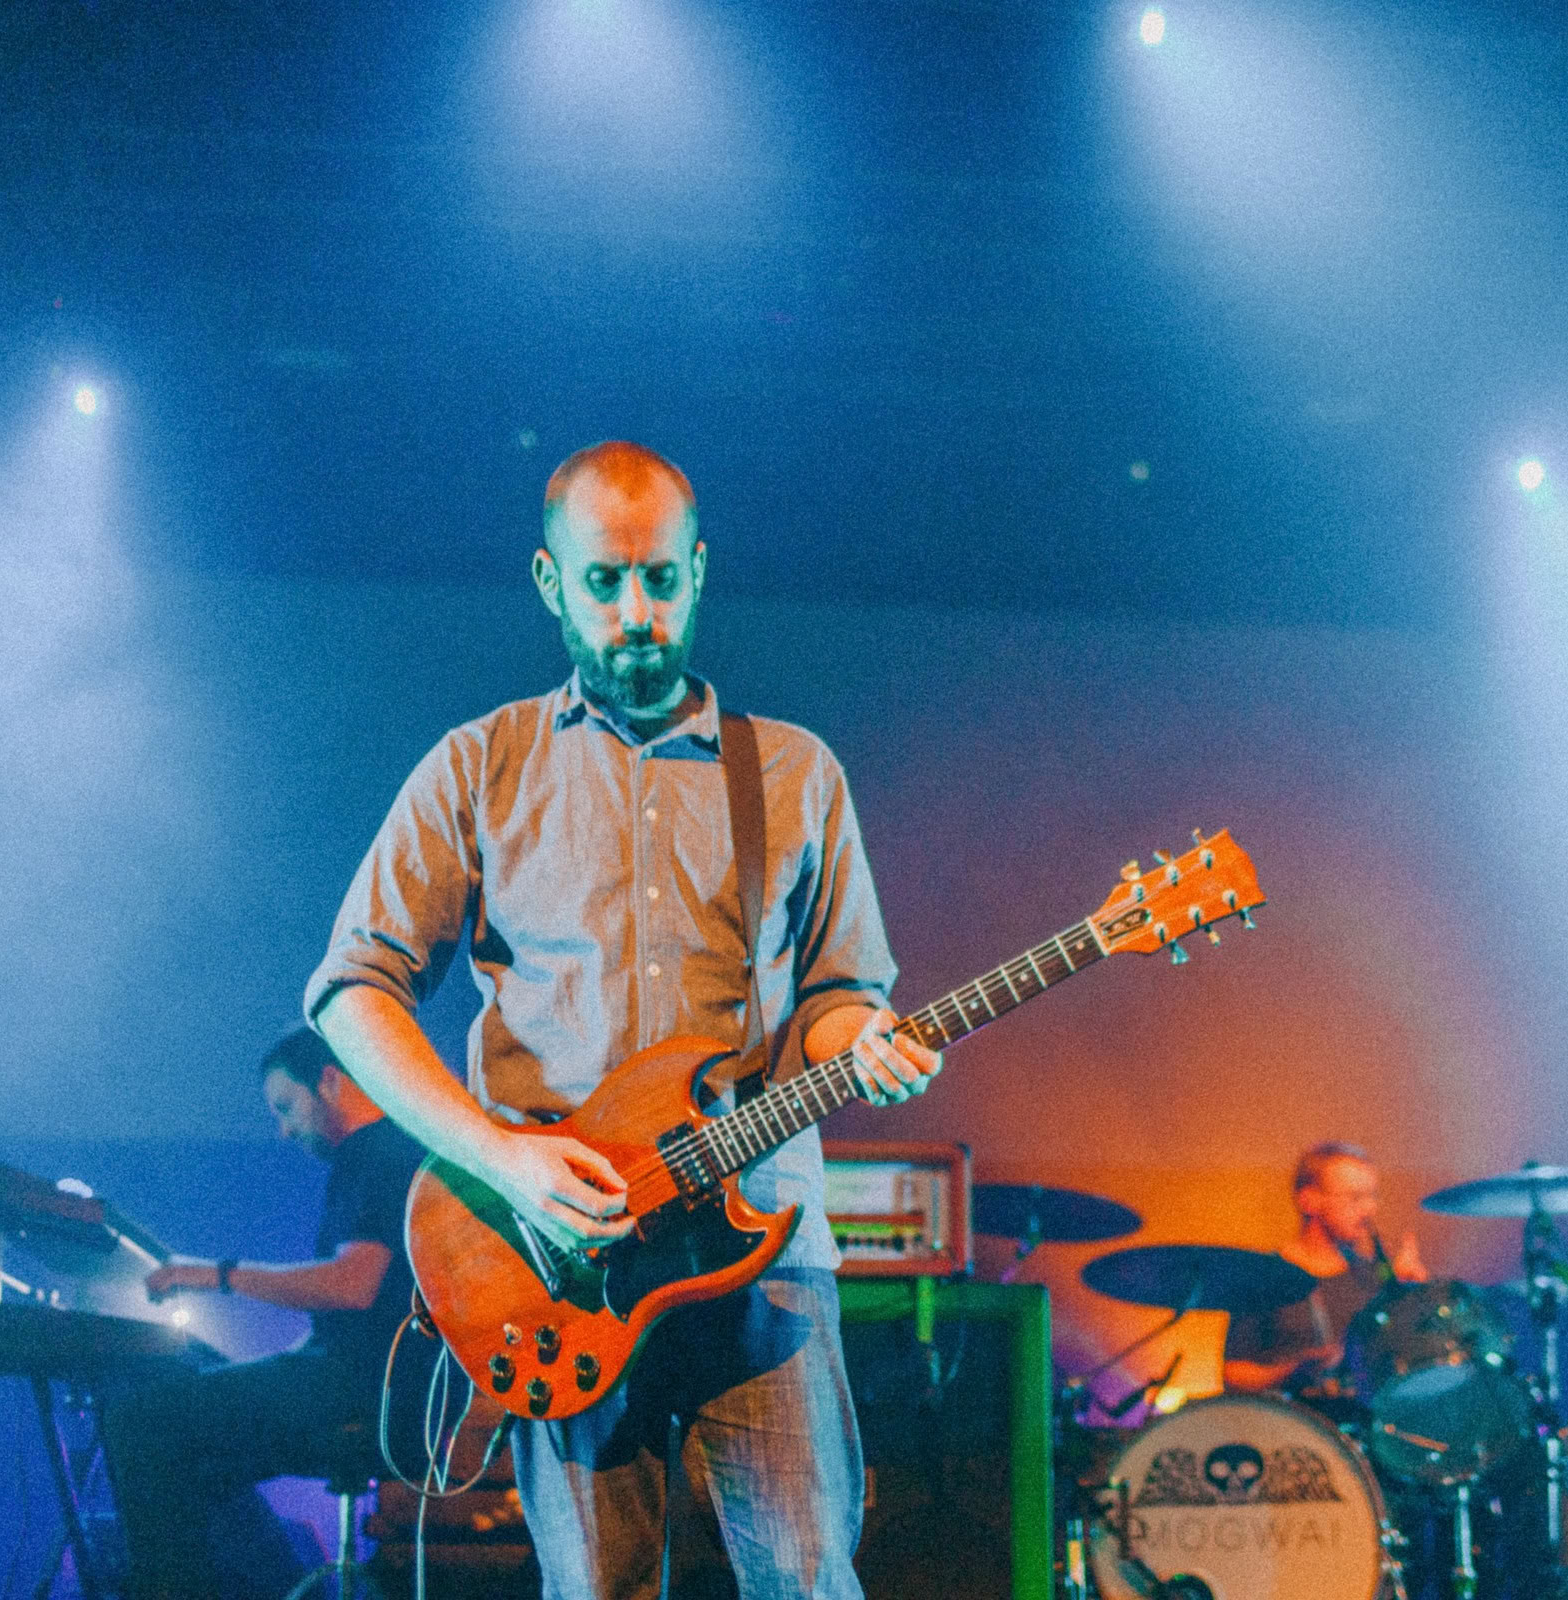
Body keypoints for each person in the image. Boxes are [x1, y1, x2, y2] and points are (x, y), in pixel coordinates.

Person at [303, 439, 942, 1600]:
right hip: (567, 1269)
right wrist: (502, 1156)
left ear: (700, 573)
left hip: (766, 1268)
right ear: (553, 585)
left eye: (661, 580)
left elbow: (841, 995)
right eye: (603, 583)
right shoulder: (478, 769)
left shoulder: (795, 773)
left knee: (809, 1583)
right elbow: (352, 993)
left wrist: (864, 1042)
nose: (636, 612)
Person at [102, 1027, 433, 1600]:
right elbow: (364, 1313)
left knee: (142, 1422)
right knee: (197, 1467)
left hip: (375, 1396)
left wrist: (214, 1275)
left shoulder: (379, 1152)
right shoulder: (380, 1153)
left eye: (286, 1107)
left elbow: (353, 1287)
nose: (283, 1129)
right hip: (373, 1385)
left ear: (329, 1081)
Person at [1221, 1141, 1428, 1396]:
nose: (1369, 1209)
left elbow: (1404, 1364)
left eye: (1372, 1196)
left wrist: (1411, 1297)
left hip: (1362, 1428)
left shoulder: (1376, 1276)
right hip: (1290, 1426)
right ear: (1309, 1201)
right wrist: (1294, 1370)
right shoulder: (1263, 1277)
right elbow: (1233, 1375)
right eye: (1355, 1197)